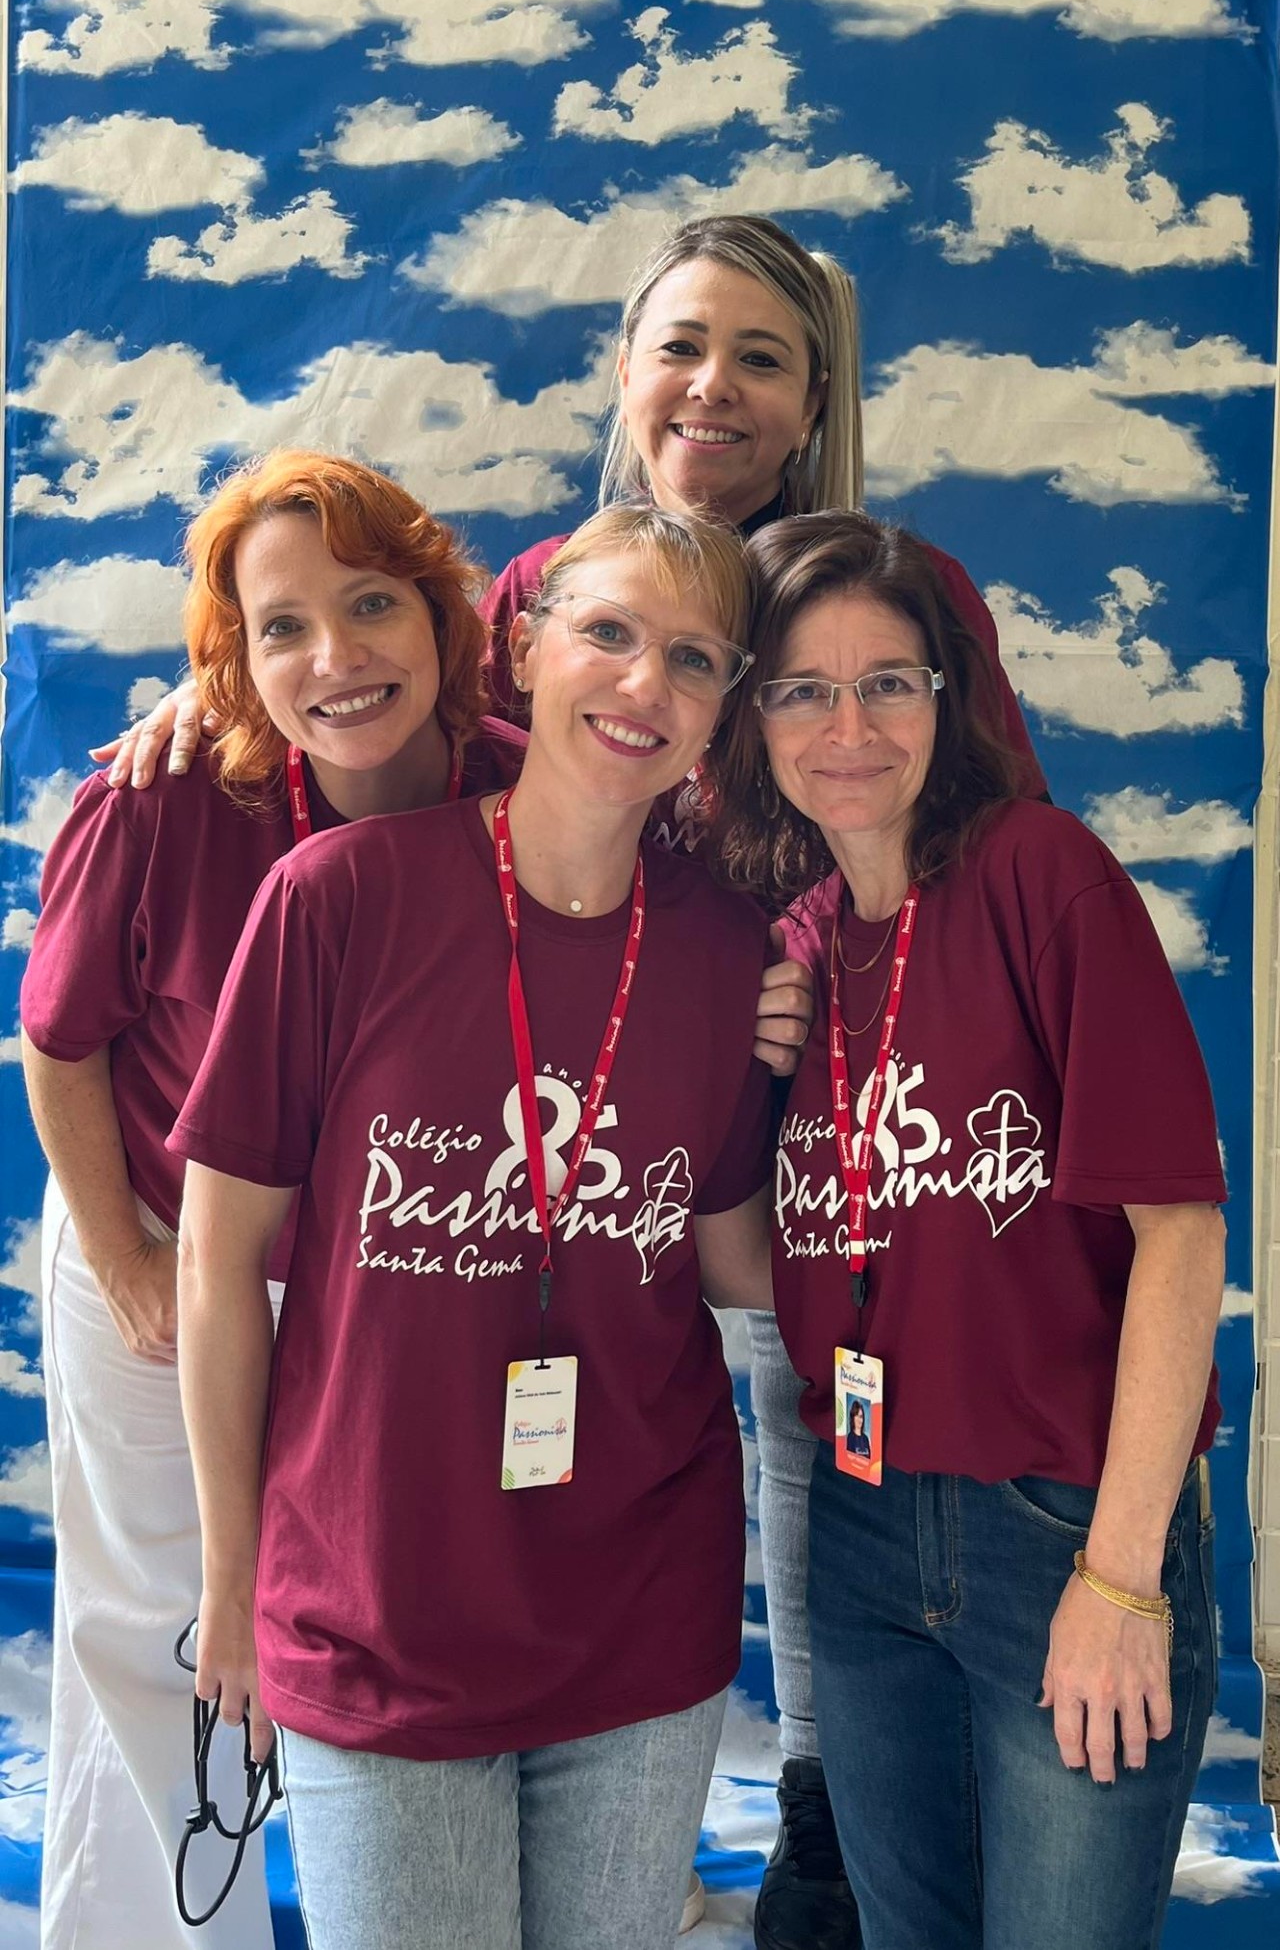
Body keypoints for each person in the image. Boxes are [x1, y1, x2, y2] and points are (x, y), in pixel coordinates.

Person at [100, 212, 1046, 1950]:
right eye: (683, 342)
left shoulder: (877, 594)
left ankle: (836, 1819)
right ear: (525, 648)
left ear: (818, 397)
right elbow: (368, 679)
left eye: (763, 354)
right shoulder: (406, 813)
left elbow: (980, 854)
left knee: (826, 1475)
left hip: (804, 1150)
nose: (715, 385)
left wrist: (863, 1050)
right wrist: (223, 690)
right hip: (421, 1503)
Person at [168, 505, 778, 1950]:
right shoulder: (338, 902)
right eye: (608, 633)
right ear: (525, 647)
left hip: (639, 1611)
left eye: (694, 659)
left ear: (723, 709)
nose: (644, 684)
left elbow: (736, 1262)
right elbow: (215, 1264)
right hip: (378, 1612)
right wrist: (232, 1582)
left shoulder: (728, 948)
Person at [20, 450, 527, 1950]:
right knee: (161, 1625)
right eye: (281, 627)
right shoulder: (165, 799)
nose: (335, 657)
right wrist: (126, 1259)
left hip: (388, 1279)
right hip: (161, 1234)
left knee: (369, 1601)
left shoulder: (523, 786)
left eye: (370, 604)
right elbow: (59, 1043)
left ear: (440, 614)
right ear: (232, 656)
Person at [708, 510, 1226, 1950]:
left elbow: (1182, 1234)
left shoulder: (1039, 877)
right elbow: (754, 1269)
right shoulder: (798, 951)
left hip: (1059, 1521)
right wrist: (730, 1084)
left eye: (889, 682)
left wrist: (1120, 1576)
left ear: (951, 699)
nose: (848, 728)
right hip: (863, 1524)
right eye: (803, 689)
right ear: (755, 720)